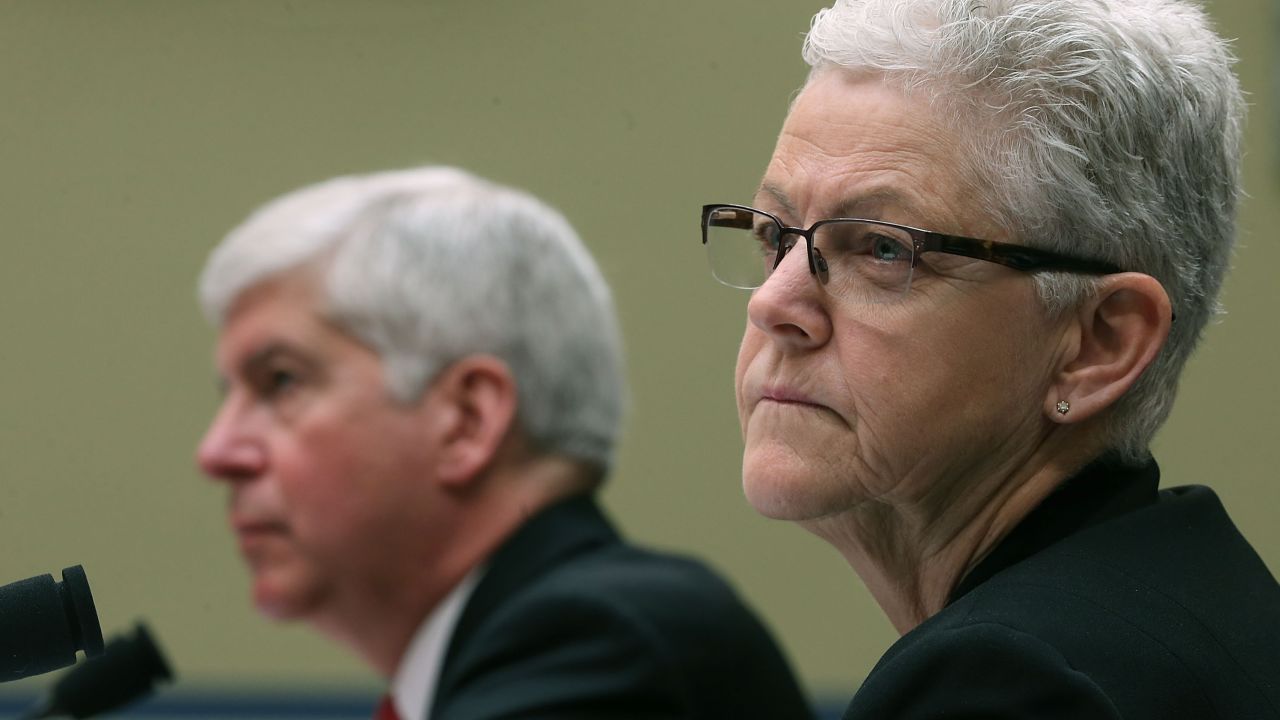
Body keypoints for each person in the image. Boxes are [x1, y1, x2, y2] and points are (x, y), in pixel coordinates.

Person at [700, 0, 1280, 717]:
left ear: (1099, 344)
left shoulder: (1008, 684)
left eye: (883, 248)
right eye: (774, 236)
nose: (772, 305)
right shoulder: (1189, 600)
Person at [196, 166, 813, 720]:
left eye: (280, 382)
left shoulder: (598, 646)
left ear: (467, 419)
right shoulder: (516, 648)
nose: (218, 452)